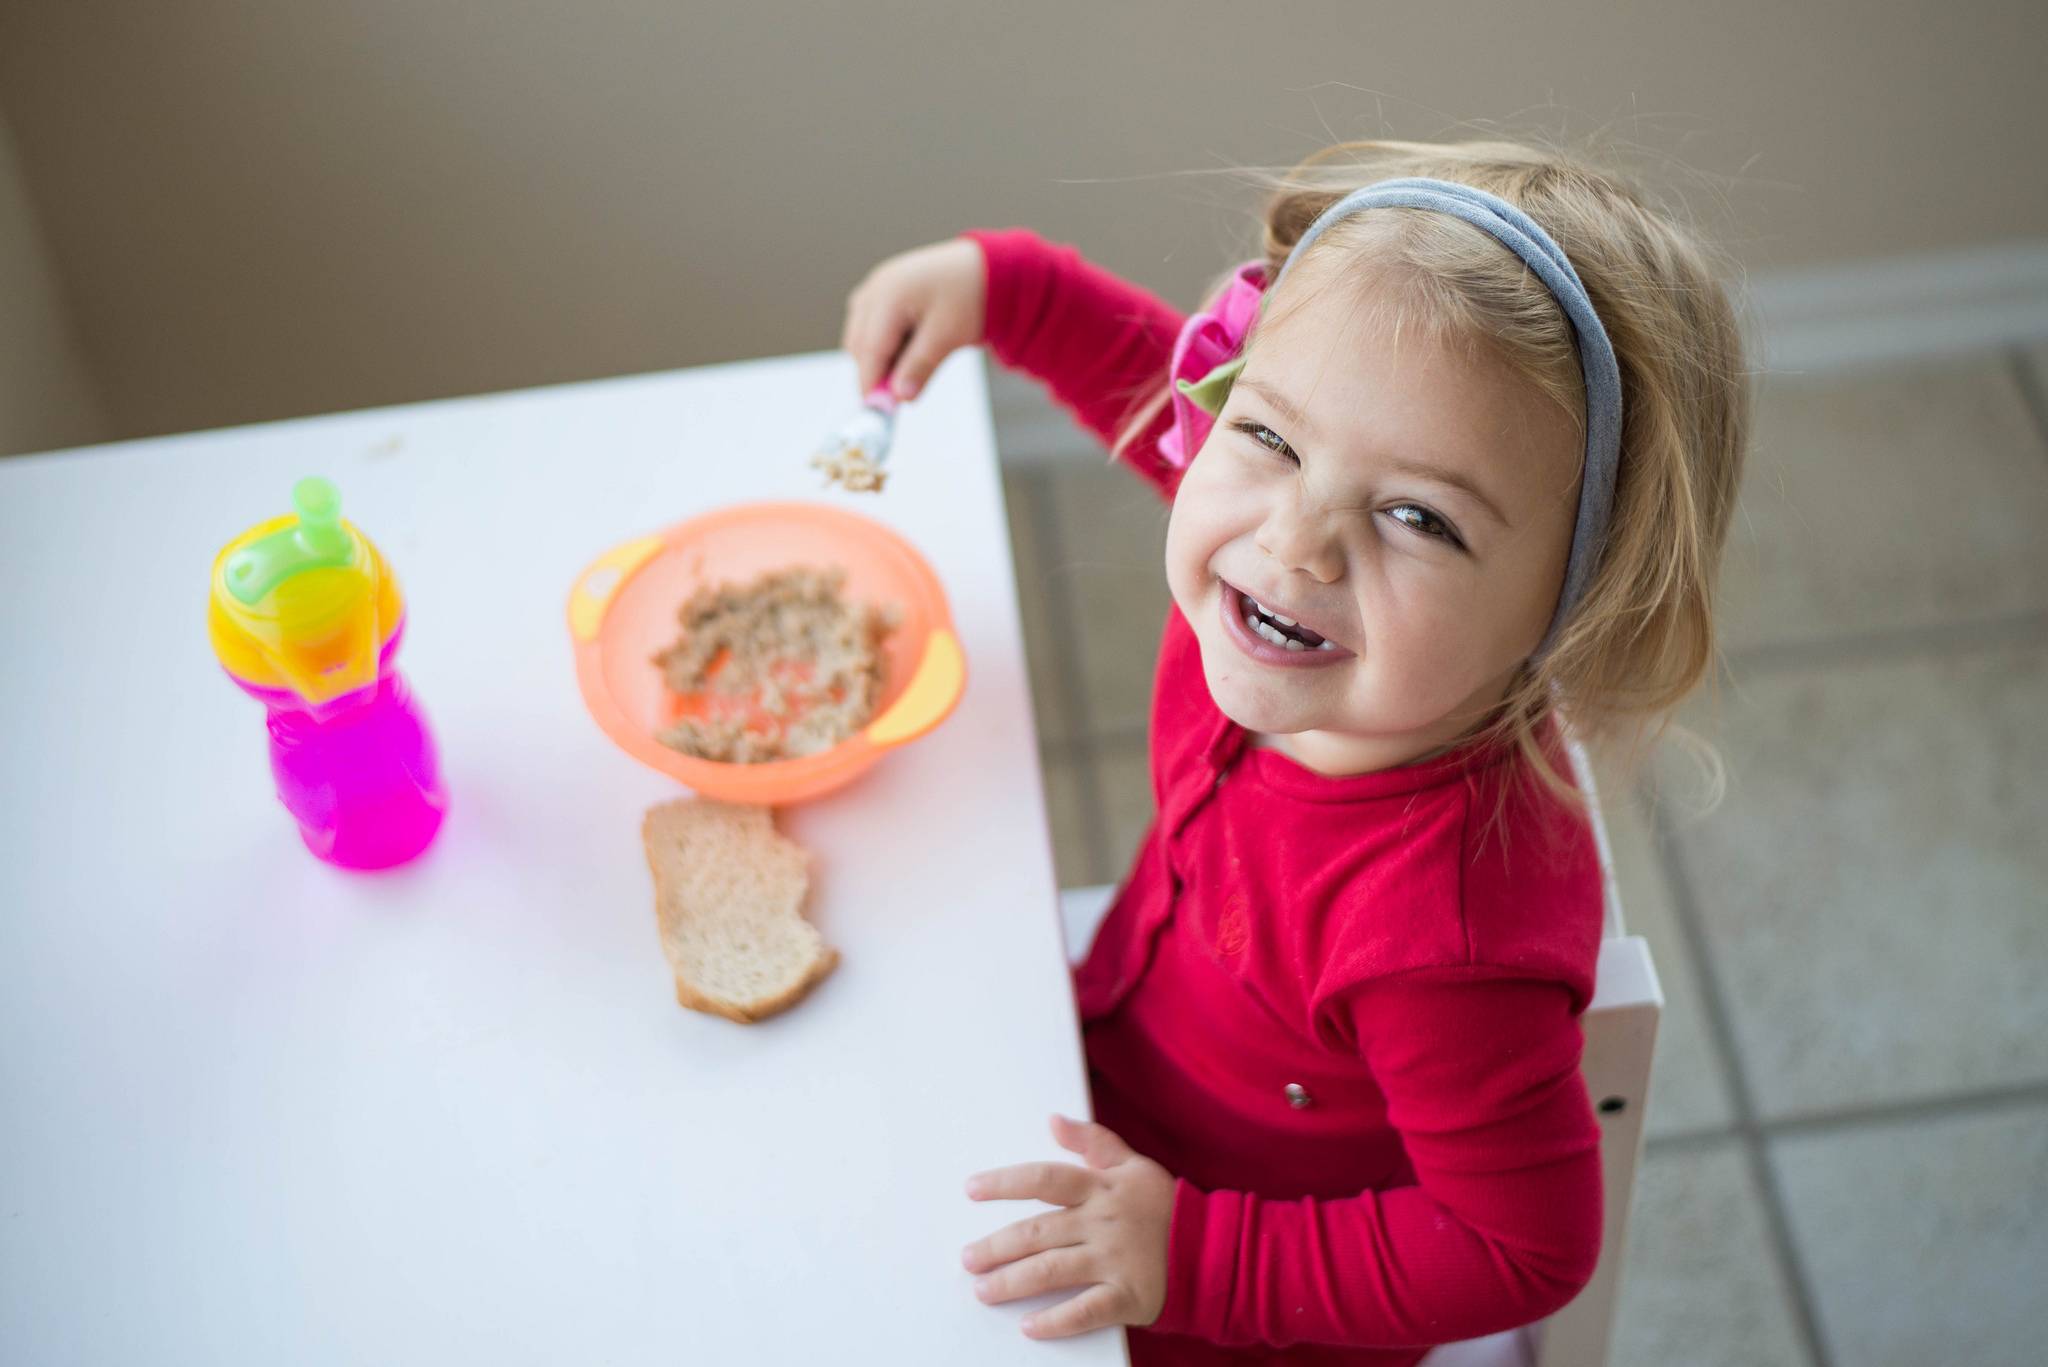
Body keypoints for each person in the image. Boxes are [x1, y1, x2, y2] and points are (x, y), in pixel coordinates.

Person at [842, 138, 1749, 1365]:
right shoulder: (1277, 588)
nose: (1297, 539)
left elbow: (1519, 1247)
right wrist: (1007, 287)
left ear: (1567, 606)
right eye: (1267, 435)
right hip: (1092, 1066)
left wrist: (1184, 1256)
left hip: (1221, 1293)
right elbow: (1138, 374)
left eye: (1416, 517)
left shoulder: (1446, 938)